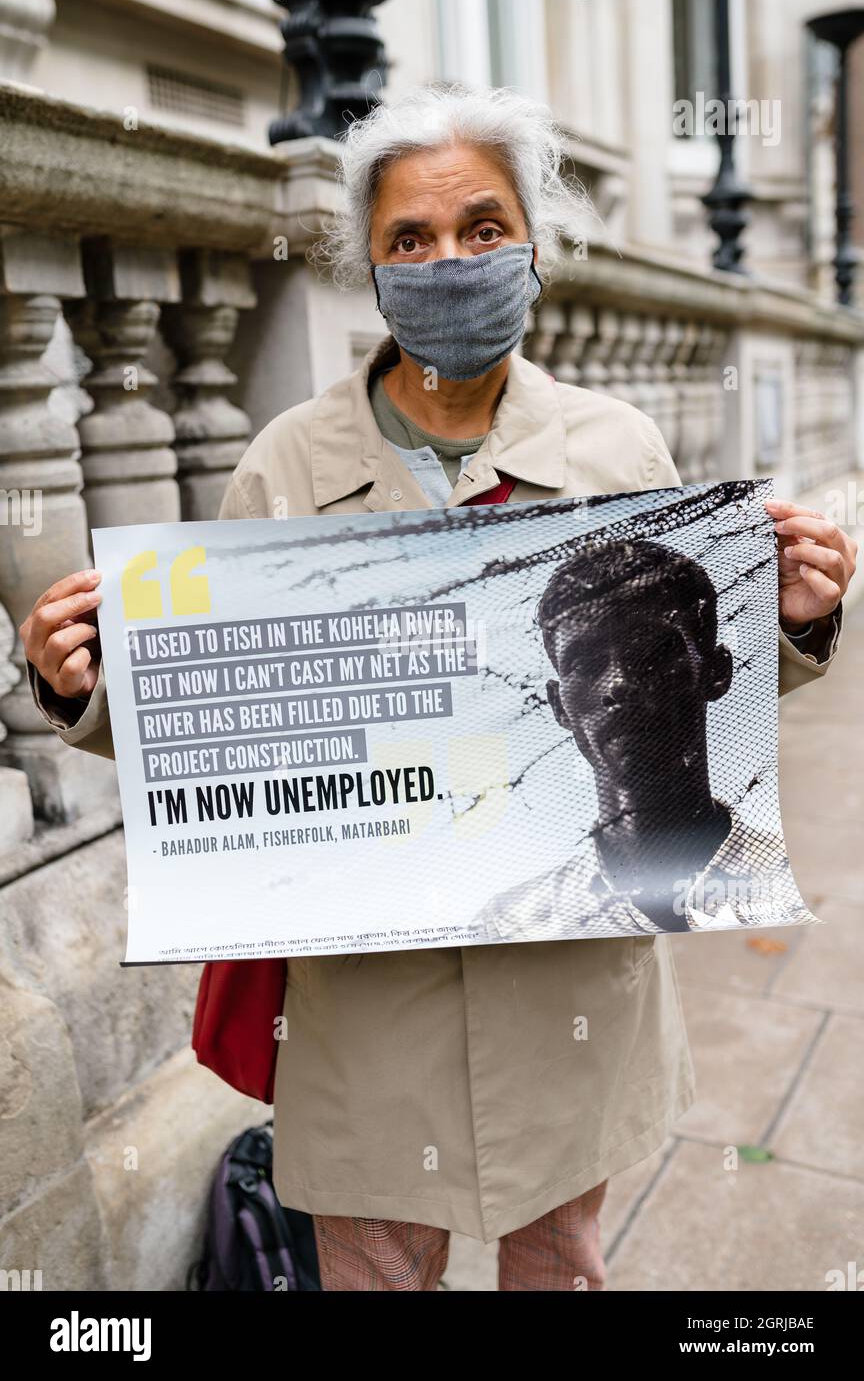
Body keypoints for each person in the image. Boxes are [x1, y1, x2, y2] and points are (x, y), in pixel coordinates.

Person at [19, 84, 855, 1292]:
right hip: (368, 1009)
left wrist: (802, 618)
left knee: (560, 1264)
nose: (448, 261)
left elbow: (700, 687)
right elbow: (217, 712)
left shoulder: (619, 447)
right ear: (370, 261)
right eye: (410, 238)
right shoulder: (285, 466)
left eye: (480, 227)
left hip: (571, 981)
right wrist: (82, 687)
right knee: (371, 1277)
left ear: (531, 246)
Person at [469, 539, 814, 946]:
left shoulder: (787, 882)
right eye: (586, 664)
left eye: (652, 651)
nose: (619, 683)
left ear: (716, 671)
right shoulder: (512, 921)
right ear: (559, 705)